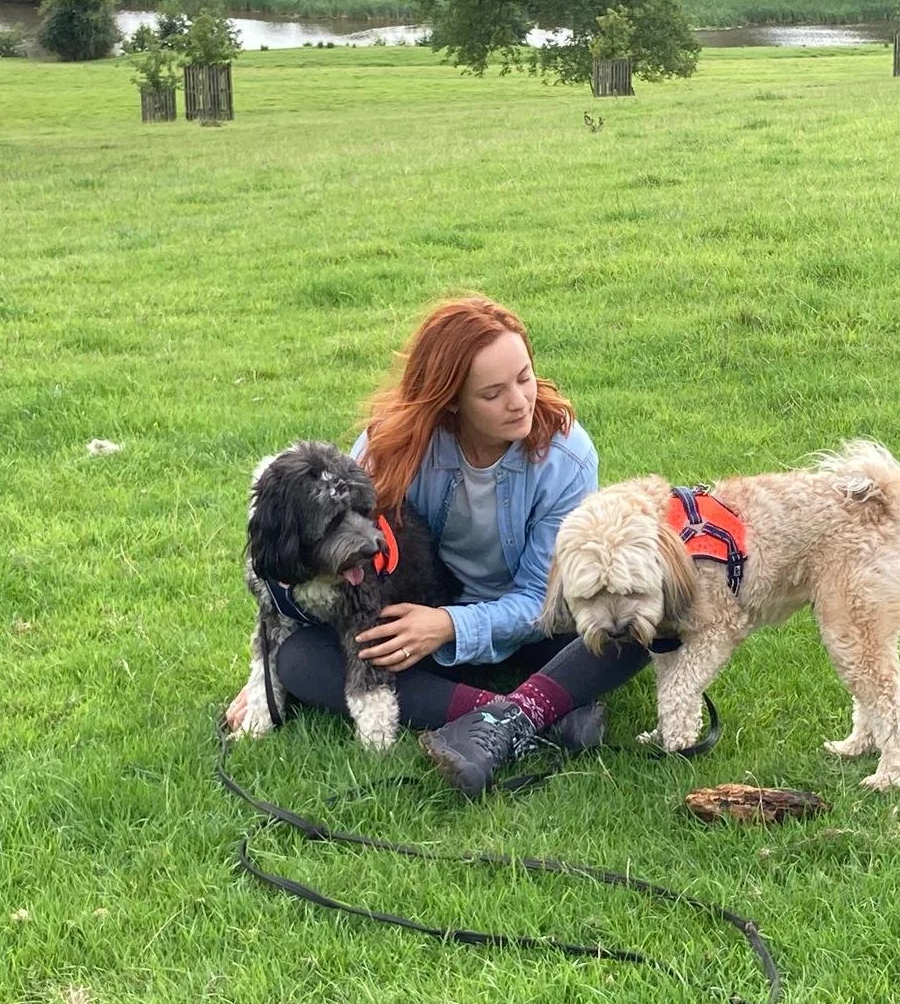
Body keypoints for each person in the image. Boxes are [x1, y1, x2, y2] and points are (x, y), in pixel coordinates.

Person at [224, 295, 649, 797]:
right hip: (416, 618)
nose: (520, 400)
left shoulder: (566, 458)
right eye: (492, 393)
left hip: (533, 628)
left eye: (524, 376)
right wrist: (265, 680)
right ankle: (542, 712)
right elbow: (319, 551)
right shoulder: (393, 442)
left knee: (638, 624)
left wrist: (448, 625)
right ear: (449, 400)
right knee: (298, 660)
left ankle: (509, 714)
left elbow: (539, 600)